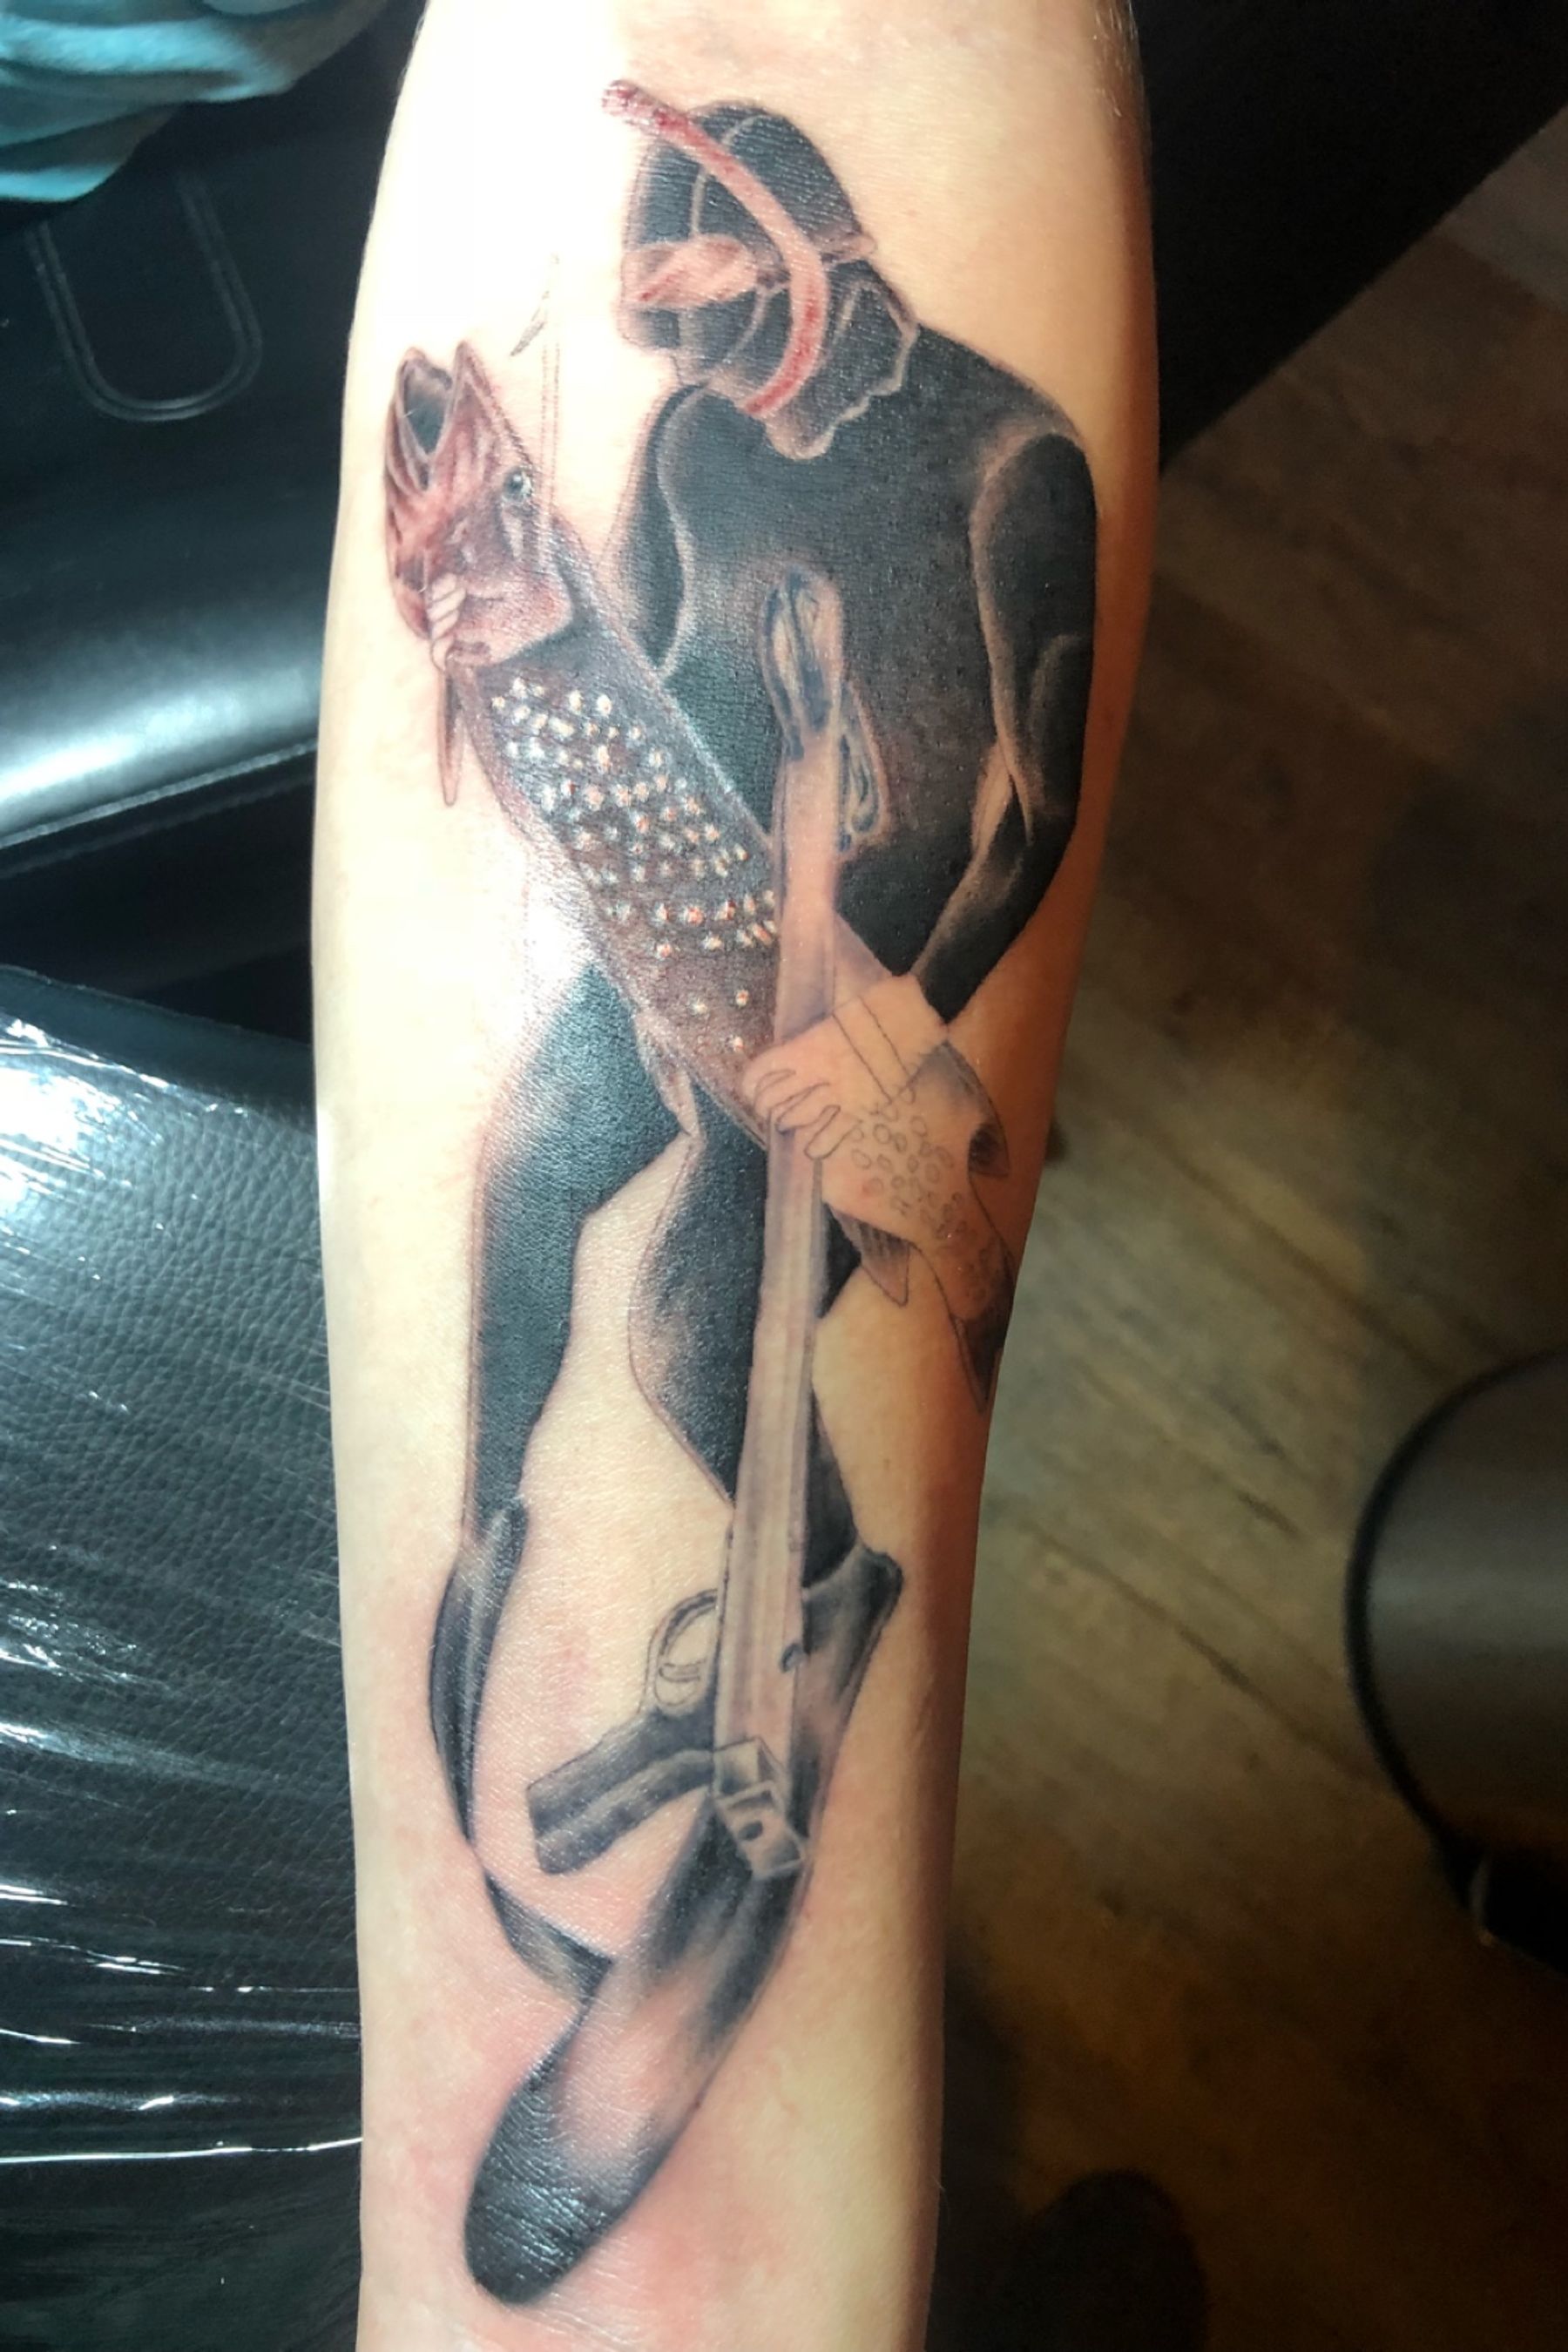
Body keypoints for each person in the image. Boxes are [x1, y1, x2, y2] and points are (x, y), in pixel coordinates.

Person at [317, 3, 1157, 2344]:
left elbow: (1027, 815)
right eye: (691, 356)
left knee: (705, 1321)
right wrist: (553, 703)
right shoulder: (695, 442)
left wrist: (884, 1037)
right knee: (528, 1181)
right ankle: (489, 1586)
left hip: (868, 981)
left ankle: (803, 1593)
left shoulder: (1002, 465)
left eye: (751, 339)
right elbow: (665, 673)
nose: (729, 395)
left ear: (829, 275)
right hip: (708, 908)